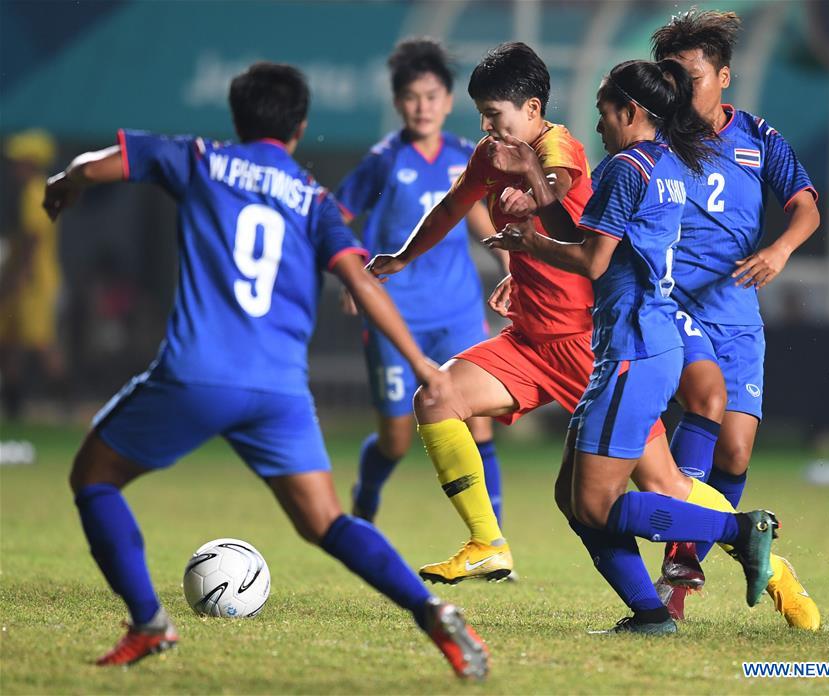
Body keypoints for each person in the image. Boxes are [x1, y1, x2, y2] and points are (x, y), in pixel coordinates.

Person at [41, 62, 489, 679]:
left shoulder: (200, 158)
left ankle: (148, 623)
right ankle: (432, 611)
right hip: (279, 391)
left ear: (237, 116)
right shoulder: (312, 197)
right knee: (327, 523)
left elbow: (100, 163)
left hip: (198, 374)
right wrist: (420, 364)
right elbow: (360, 278)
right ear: (300, 127)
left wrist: (66, 181)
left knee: (93, 480)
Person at [368, 42, 731, 587]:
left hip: (588, 343)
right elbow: (451, 208)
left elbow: (559, 190)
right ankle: (487, 543)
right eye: (483, 114)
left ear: (532, 108)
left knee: (662, 484)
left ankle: (765, 557)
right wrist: (401, 257)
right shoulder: (492, 154)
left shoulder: (559, 144)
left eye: (496, 113)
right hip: (529, 341)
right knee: (437, 397)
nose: (487, 125)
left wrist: (534, 197)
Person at [484, 58, 779, 634]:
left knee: (595, 505)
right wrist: (536, 187)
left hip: (635, 351)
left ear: (631, 112)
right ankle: (650, 614)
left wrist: (528, 246)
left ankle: (740, 531)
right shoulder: (663, 163)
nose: (597, 125)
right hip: (635, 346)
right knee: (572, 499)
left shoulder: (625, 166)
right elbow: (593, 239)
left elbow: (591, 262)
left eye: (603, 112)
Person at [649, 9, 821, 629]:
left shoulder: (757, 137)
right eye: (669, 75)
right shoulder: (657, 138)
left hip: (737, 315)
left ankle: (703, 556)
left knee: (739, 451)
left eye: (688, 75)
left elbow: (805, 207)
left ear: (723, 77)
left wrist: (779, 249)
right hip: (672, 305)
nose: (677, 88)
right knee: (705, 404)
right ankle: (679, 560)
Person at [334, 38, 507, 525]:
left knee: (479, 423)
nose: (422, 106)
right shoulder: (384, 159)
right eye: (412, 97)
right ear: (397, 103)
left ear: (449, 102)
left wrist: (510, 266)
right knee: (396, 438)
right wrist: (351, 273)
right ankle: (366, 498)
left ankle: (493, 538)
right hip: (396, 315)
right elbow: (337, 215)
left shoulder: (464, 155)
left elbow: (475, 214)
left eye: (432, 96)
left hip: (457, 312)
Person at [0, 130, 65, 420]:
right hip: (24, 280)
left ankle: (65, 402)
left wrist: (18, 277)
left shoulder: (35, 191)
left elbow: (33, 238)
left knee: (41, 342)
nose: (14, 166)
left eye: (19, 161)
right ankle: (14, 405)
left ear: (32, 162)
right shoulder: (29, 190)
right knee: (10, 341)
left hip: (34, 282)